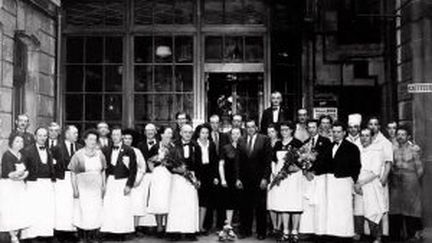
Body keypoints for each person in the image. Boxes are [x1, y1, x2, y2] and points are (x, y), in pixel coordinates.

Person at [267, 121, 303, 242]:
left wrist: (297, 168)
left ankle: (295, 231)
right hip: (280, 177)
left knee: (295, 203)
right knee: (284, 203)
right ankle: (285, 231)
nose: (284, 132)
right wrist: (274, 172)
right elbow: (273, 160)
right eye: (282, 130)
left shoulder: (297, 143)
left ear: (292, 130)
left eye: (286, 130)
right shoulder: (277, 144)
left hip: (294, 177)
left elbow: (303, 161)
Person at [324, 121, 361, 241]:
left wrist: (353, 181)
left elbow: (356, 166)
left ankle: (345, 234)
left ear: (344, 133)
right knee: (332, 208)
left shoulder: (352, 148)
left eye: (338, 132)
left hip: (344, 182)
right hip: (331, 182)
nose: (336, 134)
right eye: (333, 132)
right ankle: (333, 233)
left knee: (344, 209)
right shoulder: (329, 146)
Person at [69, 129, 107, 242]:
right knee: (83, 211)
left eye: (95, 140)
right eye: (90, 139)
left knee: (95, 211)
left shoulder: (100, 154)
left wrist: (104, 186)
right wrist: (75, 189)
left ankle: (94, 236)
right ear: (85, 140)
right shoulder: (78, 155)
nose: (93, 142)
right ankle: (83, 237)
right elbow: (73, 173)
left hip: (96, 188)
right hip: (83, 188)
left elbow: (103, 171)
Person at [237, 119, 272, 240]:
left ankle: (261, 232)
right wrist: (237, 178)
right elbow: (238, 161)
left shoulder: (265, 139)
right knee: (245, 206)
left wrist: (265, 178)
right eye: (248, 127)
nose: (250, 129)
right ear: (245, 128)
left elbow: (268, 162)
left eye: (252, 127)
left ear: (256, 127)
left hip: (259, 179)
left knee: (260, 206)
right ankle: (245, 230)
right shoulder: (241, 140)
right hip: (244, 179)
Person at [21, 127, 56, 241]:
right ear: (35, 137)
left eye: (45, 135)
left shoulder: (49, 150)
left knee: (46, 209)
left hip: (47, 184)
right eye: (40, 135)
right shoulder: (27, 150)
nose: (42, 138)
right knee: (34, 209)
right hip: (33, 183)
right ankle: (32, 236)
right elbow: (23, 168)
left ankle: (44, 234)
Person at [101, 127, 137, 237]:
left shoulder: (129, 150)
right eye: (113, 135)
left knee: (122, 207)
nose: (115, 137)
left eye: (117, 134)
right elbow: (103, 167)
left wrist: (129, 185)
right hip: (111, 180)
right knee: (110, 205)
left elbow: (133, 169)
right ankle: (109, 231)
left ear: (121, 136)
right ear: (111, 136)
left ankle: (122, 232)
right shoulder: (106, 149)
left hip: (123, 181)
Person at [166, 124, 200, 241]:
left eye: (190, 132)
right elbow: (168, 163)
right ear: (180, 133)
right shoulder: (173, 145)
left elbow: (200, 164)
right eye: (185, 132)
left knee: (190, 205)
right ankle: (175, 231)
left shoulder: (196, 145)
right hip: (177, 178)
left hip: (191, 178)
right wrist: (176, 170)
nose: (188, 134)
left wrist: (197, 179)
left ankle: (190, 231)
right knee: (177, 204)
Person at [389, 126, 424, 241]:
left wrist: (415, 183)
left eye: (403, 134)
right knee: (395, 209)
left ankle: (412, 234)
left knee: (411, 208)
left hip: (411, 181)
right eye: (398, 134)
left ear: (408, 136)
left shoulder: (414, 149)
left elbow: (420, 169)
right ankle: (396, 236)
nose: (400, 136)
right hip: (396, 182)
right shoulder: (392, 149)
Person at [299, 119, 332, 237]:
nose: (311, 130)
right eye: (309, 127)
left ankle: (320, 230)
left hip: (320, 176)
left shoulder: (326, 141)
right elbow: (301, 160)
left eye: (313, 127)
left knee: (320, 204)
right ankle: (309, 230)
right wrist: (305, 171)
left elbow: (326, 159)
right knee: (308, 204)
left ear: (318, 128)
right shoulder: (306, 142)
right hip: (308, 178)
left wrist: (313, 170)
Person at [353, 128, 386, 243]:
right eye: (362, 135)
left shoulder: (376, 151)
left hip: (371, 184)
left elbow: (375, 172)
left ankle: (377, 236)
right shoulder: (357, 150)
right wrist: (356, 184)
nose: (364, 138)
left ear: (372, 137)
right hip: (358, 184)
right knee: (358, 211)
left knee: (373, 211)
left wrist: (361, 184)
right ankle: (358, 233)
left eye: (367, 136)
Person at [51, 125, 83, 242]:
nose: (76, 135)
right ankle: (61, 232)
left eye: (77, 133)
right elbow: (53, 165)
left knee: (74, 205)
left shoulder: (80, 147)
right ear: (66, 134)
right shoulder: (57, 148)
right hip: (62, 180)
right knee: (63, 205)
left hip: (76, 178)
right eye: (74, 133)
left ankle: (72, 230)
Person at [122, 129, 156, 234]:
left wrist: (138, 180)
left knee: (136, 204)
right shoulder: (119, 150)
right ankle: (123, 227)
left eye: (129, 139)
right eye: (125, 138)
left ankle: (135, 228)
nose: (127, 141)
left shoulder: (137, 151)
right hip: (122, 180)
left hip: (136, 182)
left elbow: (142, 167)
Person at [0, 134, 30, 243]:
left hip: (19, 186)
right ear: (11, 142)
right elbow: (9, 174)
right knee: (10, 210)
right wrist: (18, 175)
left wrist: (23, 175)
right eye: (17, 141)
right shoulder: (7, 155)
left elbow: (26, 170)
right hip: (9, 187)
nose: (20, 144)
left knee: (19, 210)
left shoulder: (21, 155)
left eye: (21, 142)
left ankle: (16, 232)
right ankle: (12, 235)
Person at [368, 117, 393, 236]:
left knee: (382, 206)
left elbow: (388, 162)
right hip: (368, 178)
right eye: (370, 124)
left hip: (380, 177)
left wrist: (384, 178)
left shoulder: (385, 142)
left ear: (379, 127)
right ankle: (369, 233)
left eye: (375, 124)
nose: (373, 126)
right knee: (370, 205)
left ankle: (383, 233)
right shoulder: (366, 140)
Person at [147, 126, 174, 236]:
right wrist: (154, 171)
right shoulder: (155, 147)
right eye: (167, 133)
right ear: (162, 134)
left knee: (168, 200)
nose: (169, 135)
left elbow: (175, 162)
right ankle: (159, 227)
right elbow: (149, 161)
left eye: (171, 133)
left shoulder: (173, 147)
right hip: (158, 176)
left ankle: (168, 226)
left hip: (169, 175)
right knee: (158, 200)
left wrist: (167, 163)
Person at [217, 127, 242, 241]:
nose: (236, 136)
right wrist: (222, 179)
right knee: (229, 203)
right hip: (229, 179)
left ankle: (241, 227)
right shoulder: (225, 148)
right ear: (230, 135)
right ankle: (228, 226)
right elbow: (221, 164)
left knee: (241, 203)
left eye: (238, 133)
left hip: (242, 180)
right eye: (233, 134)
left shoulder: (245, 147)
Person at [193, 124, 219, 234]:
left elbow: (215, 161)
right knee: (197, 200)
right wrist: (197, 178)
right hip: (198, 173)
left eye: (207, 133)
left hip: (209, 174)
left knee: (207, 201)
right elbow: (193, 163)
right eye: (202, 133)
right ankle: (196, 226)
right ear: (198, 133)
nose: (205, 135)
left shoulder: (211, 144)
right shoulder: (194, 144)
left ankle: (204, 226)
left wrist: (215, 176)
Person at [208, 114, 230, 230]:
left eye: (216, 123)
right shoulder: (205, 136)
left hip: (222, 171)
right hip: (210, 172)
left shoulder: (224, 136)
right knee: (210, 200)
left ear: (220, 124)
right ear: (209, 123)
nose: (214, 125)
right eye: (212, 123)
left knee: (222, 200)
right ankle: (207, 225)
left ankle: (220, 225)